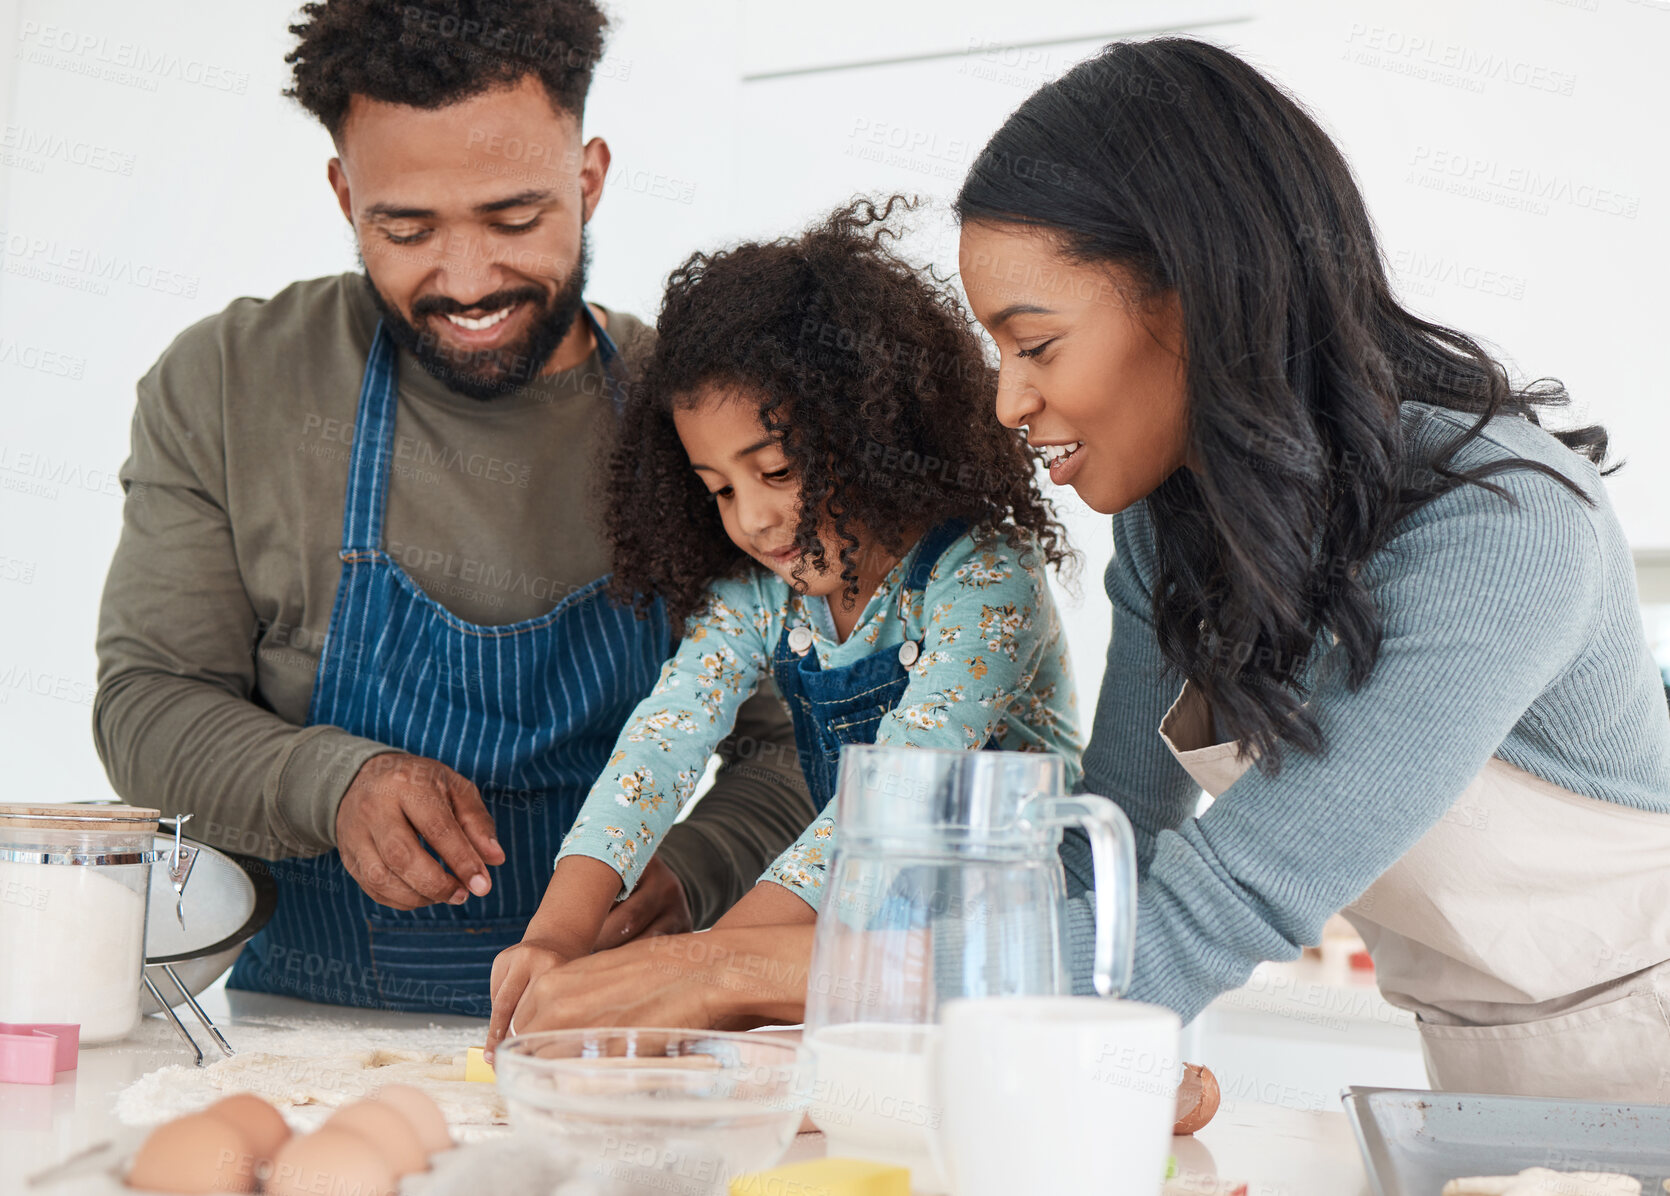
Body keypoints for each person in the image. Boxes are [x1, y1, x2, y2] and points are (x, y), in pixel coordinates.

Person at [954, 39, 1670, 1099]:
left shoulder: (1501, 518)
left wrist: (787, 974)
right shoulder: (1169, 527)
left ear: (1193, 295)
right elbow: (1107, 854)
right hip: (1479, 1066)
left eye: (1036, 345)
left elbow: (1219, 899)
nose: (1008, 402)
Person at [92, 0, 813, 1017]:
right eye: (406, 228)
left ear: (589, 178)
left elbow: (800, 738)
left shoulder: (700, 414)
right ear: (345, 195)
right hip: (303, 1032)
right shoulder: (228, 381)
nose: (467, 279)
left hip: (612, 1037)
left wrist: (696, 868)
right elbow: (147, 704)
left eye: (515, 219)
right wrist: (331, 782)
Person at [486, 200, 1082, 1044]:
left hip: (1011, 962)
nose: (754, 520)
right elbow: (662, 742)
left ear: (872, 431)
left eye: (776, 470)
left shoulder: (984, 578)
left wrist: (700, 972)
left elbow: (893, 805)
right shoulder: (761, 590)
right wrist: (556, 933)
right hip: (848, 949)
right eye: (721, 489)